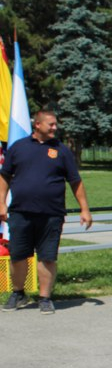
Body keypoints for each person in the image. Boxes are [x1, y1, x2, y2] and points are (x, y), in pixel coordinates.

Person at [1, 110, 92, 315]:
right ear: (37, 125)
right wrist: (1, 204)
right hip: (20, 212)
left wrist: (84, 209)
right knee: (18, 255)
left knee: (47, 257)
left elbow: (75, 181)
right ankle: (18, 293)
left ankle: (45, 298)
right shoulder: (18, 147)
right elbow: (4, 176)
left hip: (51, 214)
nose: (54, 128)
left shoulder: (61, 150)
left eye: (55, 124)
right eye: (50, 124)